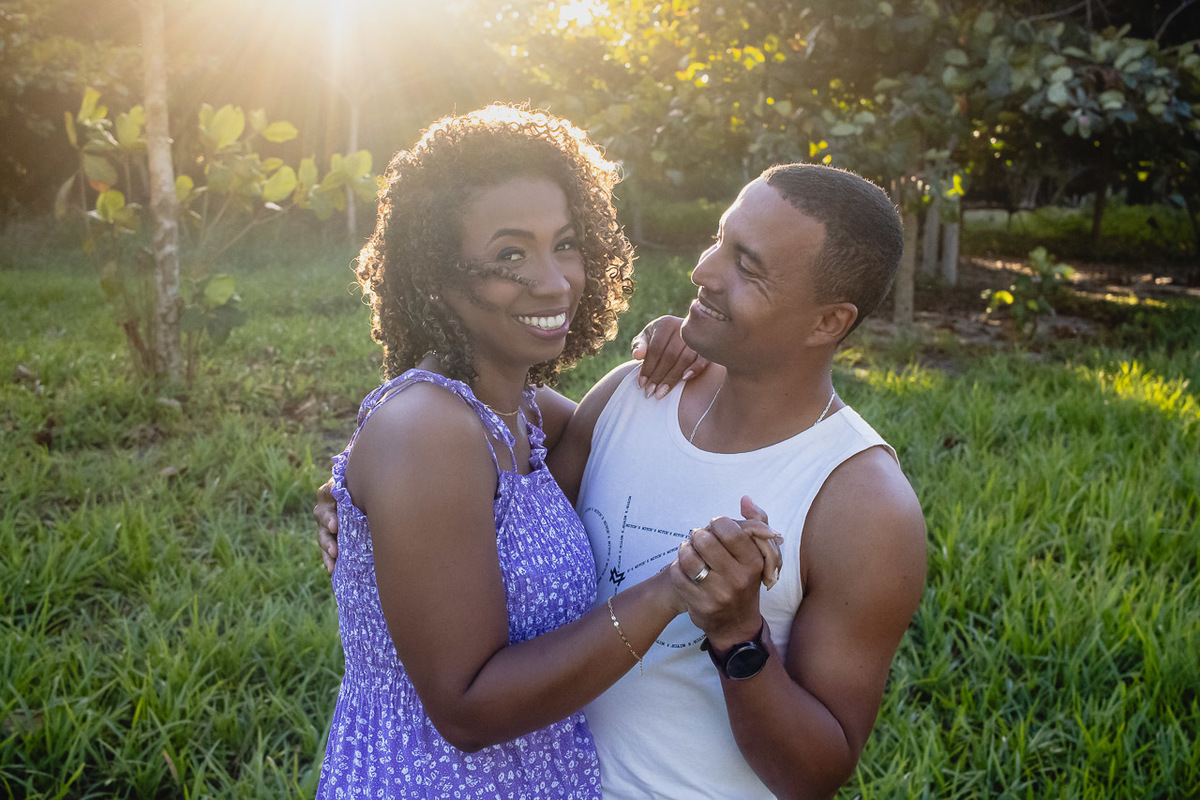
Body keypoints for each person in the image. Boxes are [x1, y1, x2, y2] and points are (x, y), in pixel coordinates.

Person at [318, 163, 925, 798]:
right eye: (720, 239)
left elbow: (816, 775)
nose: (703, 271)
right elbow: (482, 461)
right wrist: (361, 498)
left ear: (827, 323)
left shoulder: (862, 504)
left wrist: (737, 633)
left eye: (747, 267)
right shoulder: (635, 395)